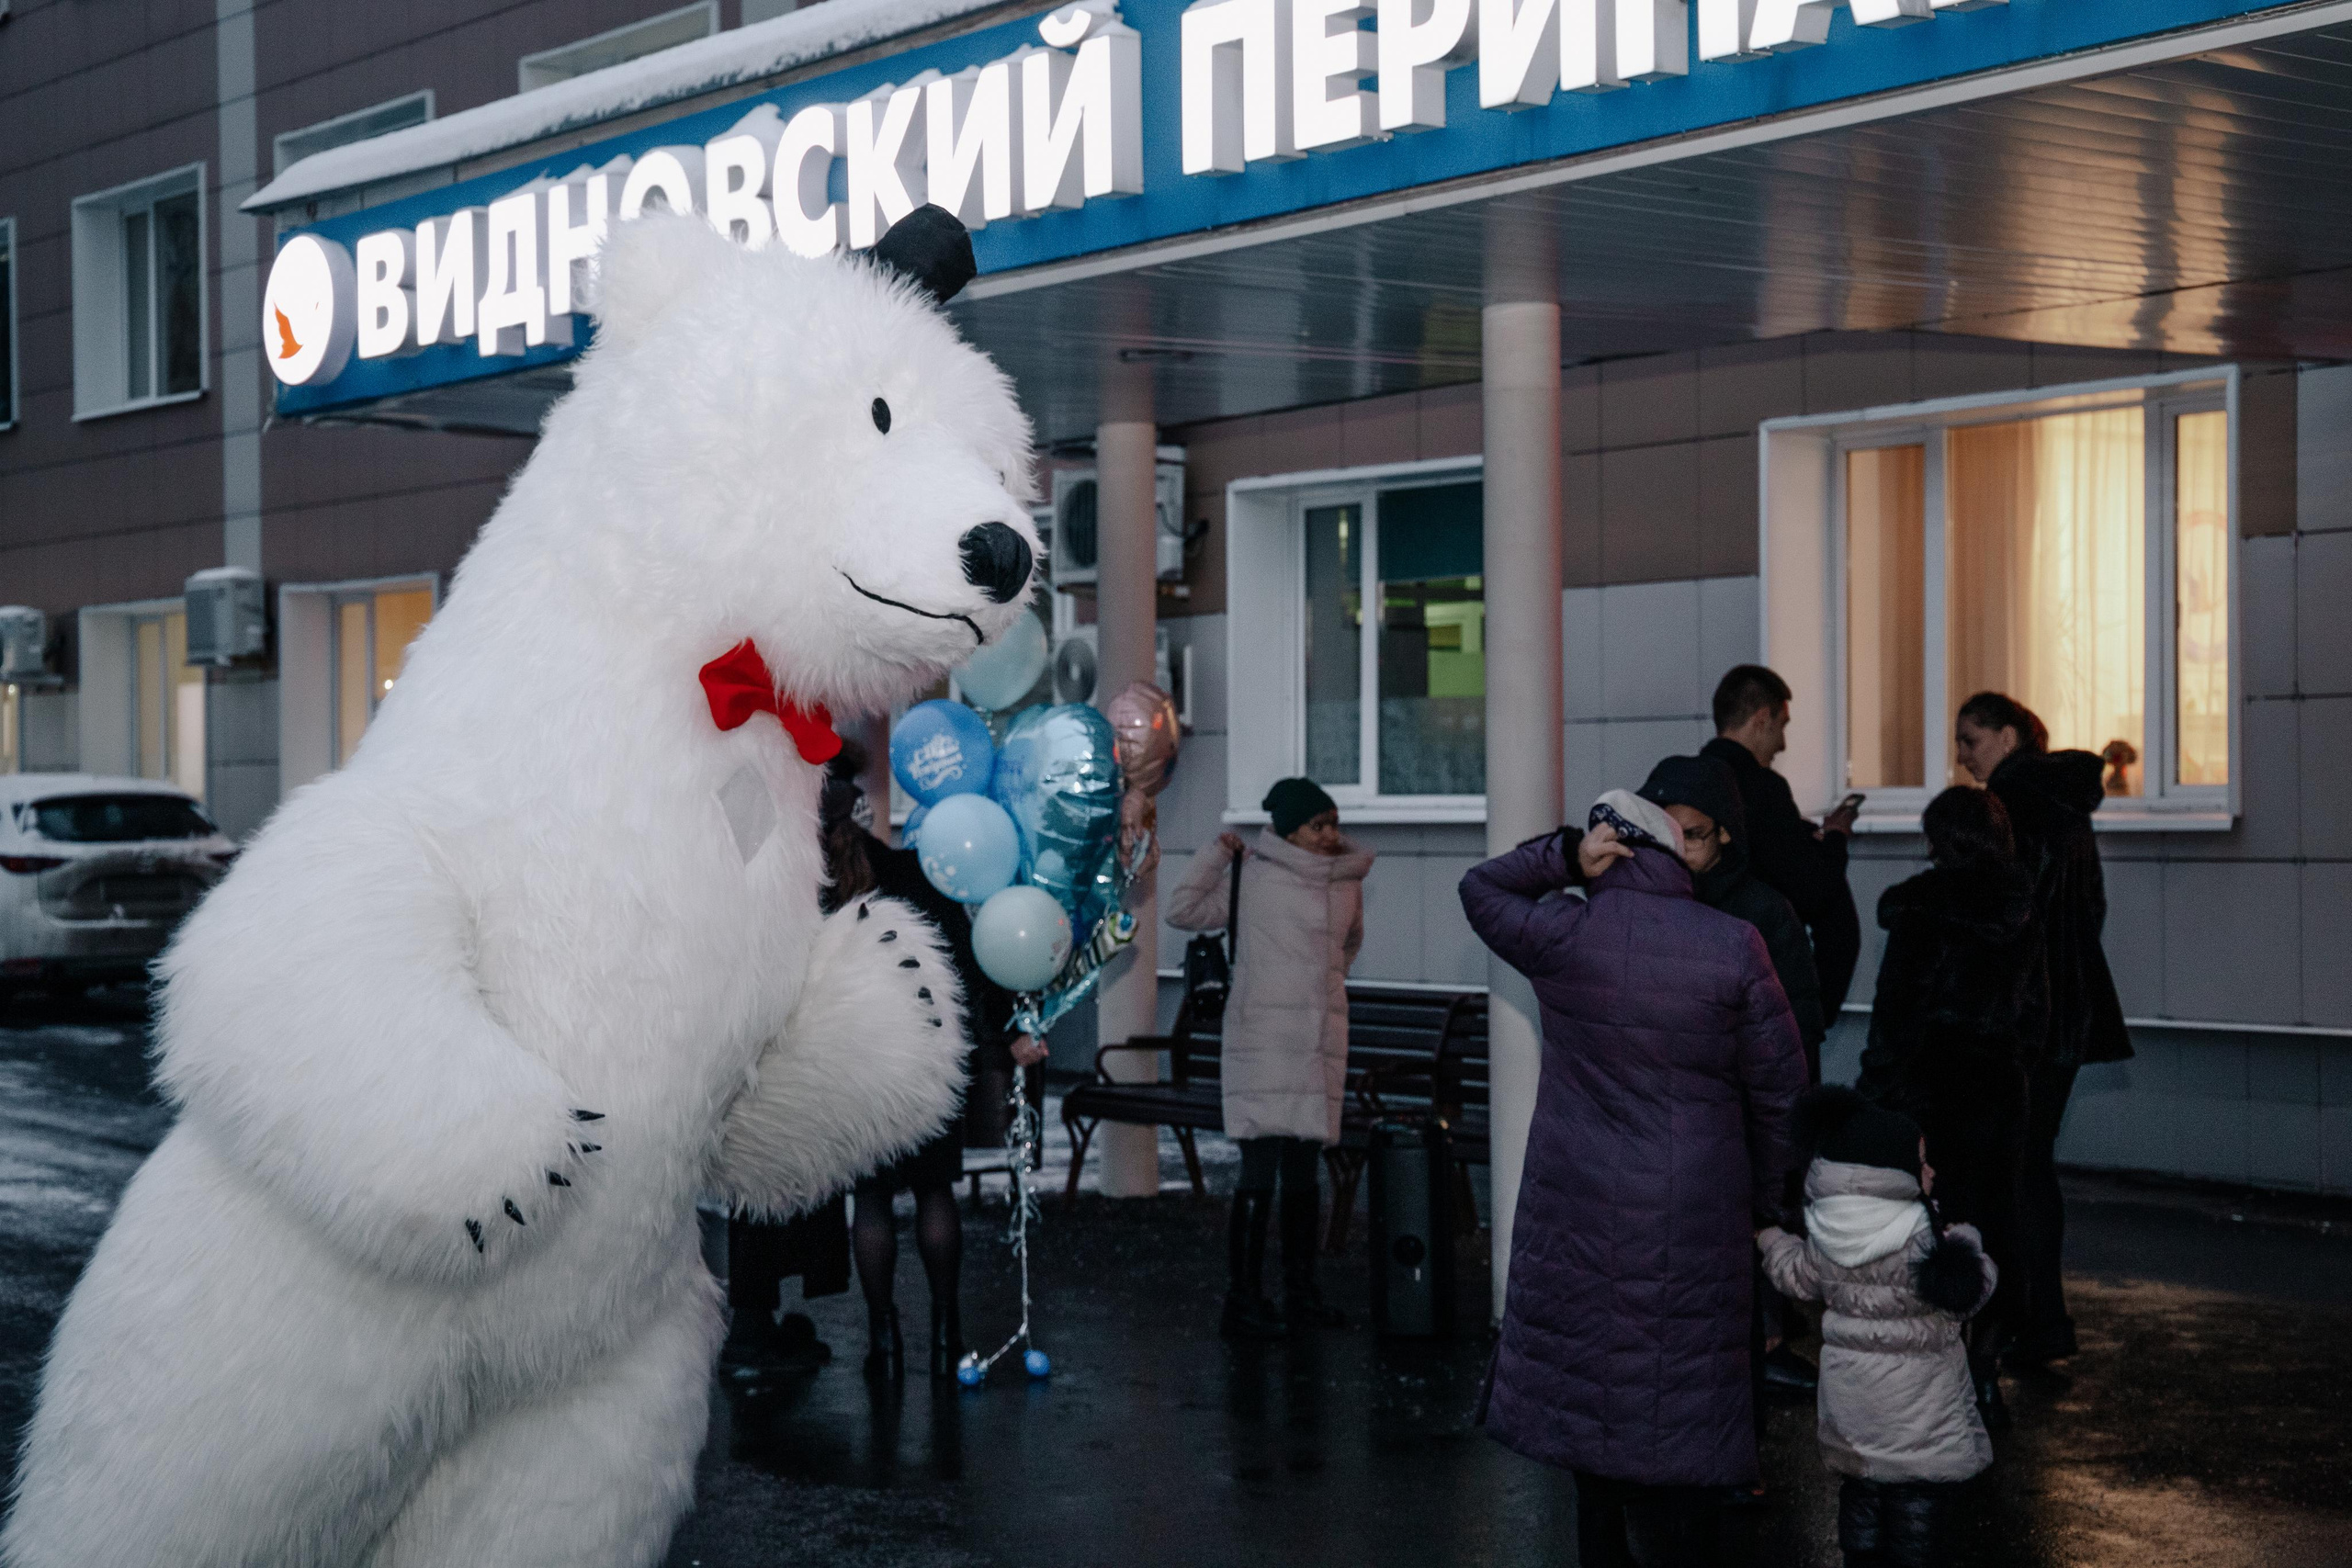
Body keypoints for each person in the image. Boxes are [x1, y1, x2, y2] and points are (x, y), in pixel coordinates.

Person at [1460, 790, 1807, 1568]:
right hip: (1696, 1204)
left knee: (1594, 1393)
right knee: (1688, 1392)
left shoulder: (1565, 934)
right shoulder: (1734, 944)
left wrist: (1560, 856)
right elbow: (1782, 1089)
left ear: (1610, 854)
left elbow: (1482, 888)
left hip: (1577, 1198)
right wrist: (1770, 1199)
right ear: (1672, 854)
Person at [819, 743, 1046, 1381]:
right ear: (860, 808)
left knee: (869, 1200)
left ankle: (882, 1337)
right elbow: (974, 960)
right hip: (925, 1057)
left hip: (853, 1060)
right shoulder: (917, 873)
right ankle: (948, 1329)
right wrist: (1009, 1032)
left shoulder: (806, 893)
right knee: (933, 1190)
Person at [1637, 753, 1827, 1412]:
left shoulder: (1760, 911)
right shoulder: (1631, 901)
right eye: (1665, 832)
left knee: (1732, 1284)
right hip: (1655, 1127)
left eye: (1692, 833)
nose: (1678, 849)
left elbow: (1796, 1029)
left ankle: (1737, 1426)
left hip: (1732, 1124)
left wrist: (1782, 1137)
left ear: (1724, 834)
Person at [1951, 692, 2131, 1372]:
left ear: (2006, 735)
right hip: (2069, 1010)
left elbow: (2003, 908)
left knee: (2013, 1167)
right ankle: (2043, 1319)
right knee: (2031, 1164)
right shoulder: (2065, 803)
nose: (1962, 754)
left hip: (2025, 1015)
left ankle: (2028, 1319)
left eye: (1970, 738)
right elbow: (2091, 905)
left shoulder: (2010, 803)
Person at [1855, 785, 2037, 1428]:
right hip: (1998, 1085)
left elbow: (1896, 1015)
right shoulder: (2020, 905)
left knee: (1934, 1227)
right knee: (1995, 1221)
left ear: (1939, 840)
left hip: (1933, 1087)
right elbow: (2030, 1005)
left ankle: (1938, 1383)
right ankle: (1985, 1374)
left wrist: (1875, 1095)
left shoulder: (1922, 911)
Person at [1168, 776, 1373, 1340]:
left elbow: (1349, 946)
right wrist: (1216, 854)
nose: (1330, 834)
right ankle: (1245, 1298)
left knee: (1304, 1175)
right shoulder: (1251, 874)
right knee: (1260, 1170)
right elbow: (1182, 910)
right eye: (1317, 825)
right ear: (1288, 830)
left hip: (1317, 1041)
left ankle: (1303, 1295)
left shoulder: (1347, 884)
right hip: (1264, 1041)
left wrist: (1321, 987)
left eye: (1333, 822)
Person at [1758, 1088, 1998, 1568]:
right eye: (1921, 1161)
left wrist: (1769, 1239)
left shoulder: (1826, 1232)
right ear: (1890, 1175)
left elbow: (1796, 1275)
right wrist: (1969, 1239)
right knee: (1915, 1505)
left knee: (1862, 1496)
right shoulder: (1921, 1238)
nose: (1930, 1172)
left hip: (1853, 1411)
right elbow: (1967, 1294)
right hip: (1918, 1416)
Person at [1702, 665, 1864, 1019]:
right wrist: (1835, 839)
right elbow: (1812, 888)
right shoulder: (1765, 789)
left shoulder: (1689, 783)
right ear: (1762, 719)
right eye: (1782, 725)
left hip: (1700, 981)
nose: (1783, 744)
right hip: (1767, 985)